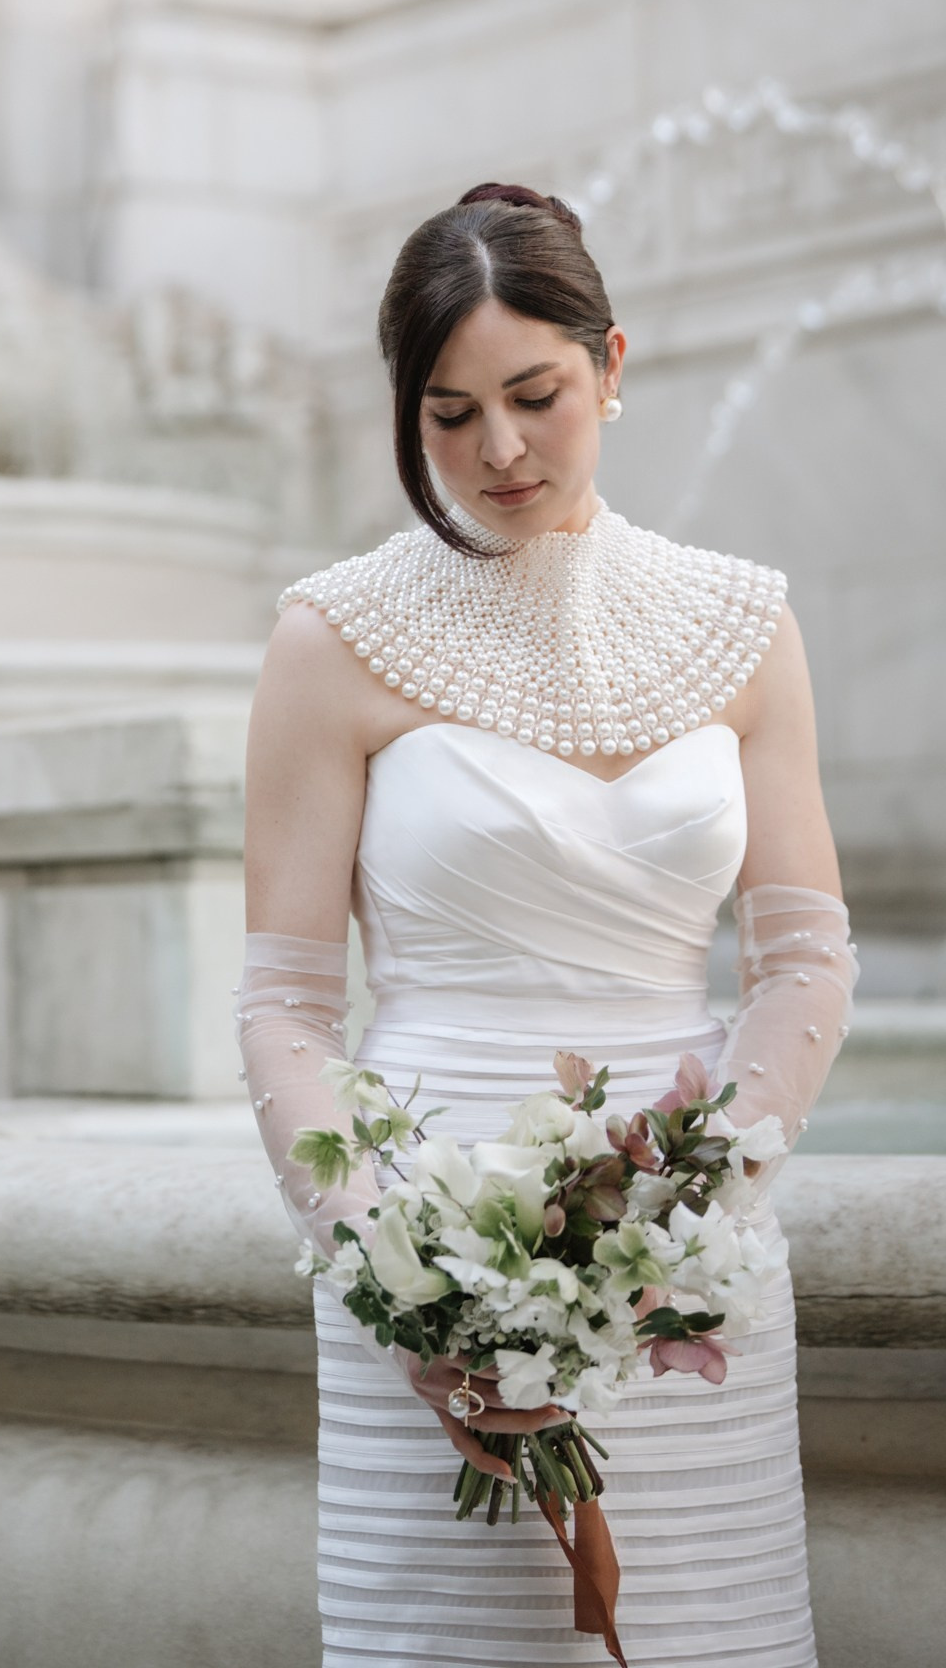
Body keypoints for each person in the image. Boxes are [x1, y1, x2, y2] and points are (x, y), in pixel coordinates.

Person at [241, 183, 853, 1665]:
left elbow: (803, 961)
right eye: (448, 414)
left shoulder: (741, 621)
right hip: (423, 1241)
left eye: (535, 395)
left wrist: (686, 1226)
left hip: (694, 1240)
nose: (497, 451)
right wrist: (406, 1284)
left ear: (613, 365)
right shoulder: (331, 638)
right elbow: (284, 1011)